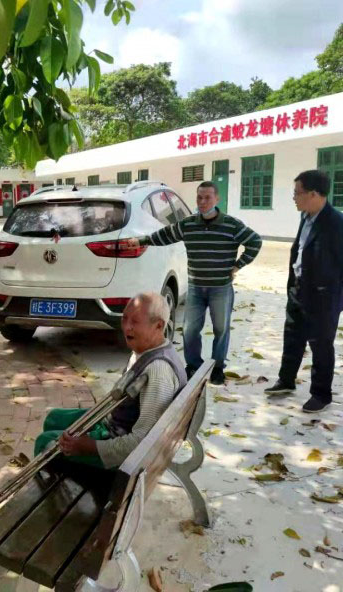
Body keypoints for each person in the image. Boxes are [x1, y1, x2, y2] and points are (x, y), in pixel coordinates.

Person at [34, 292, 187, 469]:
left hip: (119, 449)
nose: (127, 327)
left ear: (158, 326)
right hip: (112, 423)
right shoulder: (147, 350)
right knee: (53, 419)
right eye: (125, 319)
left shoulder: (159, 371)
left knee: (45, 442)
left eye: (135, 322)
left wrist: (89, 447)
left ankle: (53, 489)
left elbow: (143, 441)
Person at [128, 183, 262, 385]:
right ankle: (193, 366)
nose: (202, 202)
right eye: (199, 197)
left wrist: (237, 266)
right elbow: (165, 235)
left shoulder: (232, 225)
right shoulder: (188, 224)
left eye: (207, 197)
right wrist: (141, 241)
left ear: (217, 199)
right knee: (190, 330)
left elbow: (255, 242)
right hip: (196, 287)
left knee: (221, 329)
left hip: (221, 288)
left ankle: (217, 368)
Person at [265, 170, 343, 413]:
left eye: (298, 193)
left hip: (322, 297)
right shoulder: (306, 217)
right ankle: (286, 381)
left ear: (315, 194)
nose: (294, 198)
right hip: (298, 289)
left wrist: (328, 289)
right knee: (292, 337)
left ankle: (321, 394)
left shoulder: (339, 224)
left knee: (321, 345)